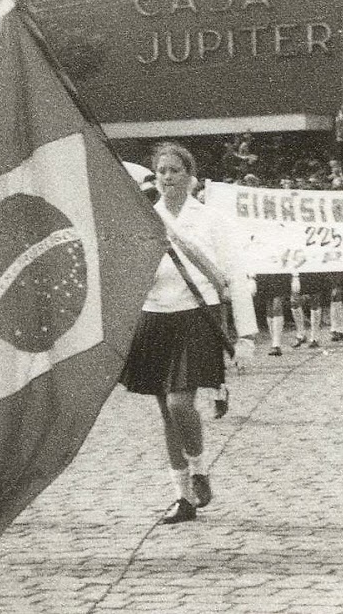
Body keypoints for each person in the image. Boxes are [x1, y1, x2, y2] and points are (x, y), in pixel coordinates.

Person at [119, 143, 254, 525]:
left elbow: (235, 277)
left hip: (196, 316)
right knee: (167, 413)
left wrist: (245, 337)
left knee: (180, 404)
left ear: (190, 176)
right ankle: (183, 497)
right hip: (155, 318)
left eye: (175, 170)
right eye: (161, 170)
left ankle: (198, 468)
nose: (167, 177)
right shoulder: (145, 219)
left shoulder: (211, 221)